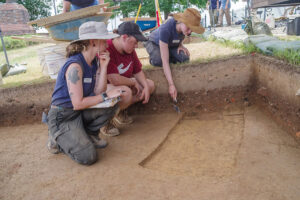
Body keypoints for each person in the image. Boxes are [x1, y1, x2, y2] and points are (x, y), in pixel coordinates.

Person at [46, 21, 132, 165]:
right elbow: (78, 103)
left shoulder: (93, 62)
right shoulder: (75, 65)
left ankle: (89, 134)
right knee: (88, 156)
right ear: (93, 42)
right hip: (64, 116)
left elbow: (99, 91)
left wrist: (104, 67)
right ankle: (56, 137)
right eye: (104, 40)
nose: (106, 43)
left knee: (113, 103)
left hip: (79, 112)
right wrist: (106, 96)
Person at [101, 21, 155, 136]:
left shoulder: (129, 50)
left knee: (149, 85)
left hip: (122, 86)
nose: (136, 46)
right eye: (135, 42)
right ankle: (105, 121)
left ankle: (119, 111)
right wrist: (132, 81)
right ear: (124, 37)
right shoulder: (108, 48)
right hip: (104, 90)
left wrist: (145, 87)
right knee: (126, 92)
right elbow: (114, 79)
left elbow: (138, 71)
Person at [144, 8, 204, 101]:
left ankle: (168, 55)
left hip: (170, 45)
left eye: (191, 30)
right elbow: (164, 61)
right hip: (154, 43)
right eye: (188, 28)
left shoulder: (184, 30)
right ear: (181, 21)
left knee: (184, 58)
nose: (189, 32)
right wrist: (171, 84)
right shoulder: (166, 29)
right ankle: (153, 58)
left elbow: (179, 38)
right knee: (159, 60)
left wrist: (181, 45)